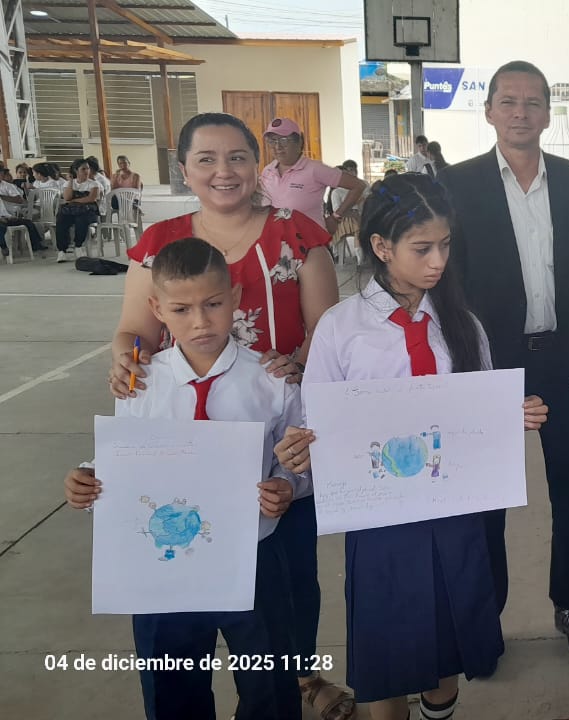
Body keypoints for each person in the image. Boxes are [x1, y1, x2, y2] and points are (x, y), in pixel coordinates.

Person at [271, 173, 549, 720]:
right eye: (422, 248)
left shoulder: (462, 324)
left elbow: (477, 411)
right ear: (381, 246)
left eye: (445, 245)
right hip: (382, 522)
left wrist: (509, 414)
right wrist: (299, 451)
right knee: (387, 649)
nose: (438, 261)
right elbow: (314, 420)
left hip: (455, 515)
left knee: (447, 642)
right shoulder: (341, 328)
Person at [106, 112, 349, 720]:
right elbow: (136, 329)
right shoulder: (159, 243)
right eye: (206, 159)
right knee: (180, 605)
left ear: (257, 164)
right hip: (187, 438)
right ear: (184, 168)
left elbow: (327, 330)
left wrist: (293, 370)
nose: (224, 171)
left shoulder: (297, 234)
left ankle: (297, 679)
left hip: (275, 425)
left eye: (238, 156)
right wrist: (128, 362)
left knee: (282, 587)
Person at [63, 237, 303, 720]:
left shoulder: (272, 380)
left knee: (270, 684)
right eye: (181, 309)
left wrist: (288, 486)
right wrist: (90, 479)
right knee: (171, 686)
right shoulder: (140, 384)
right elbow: (126, 459)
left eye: (213, 304)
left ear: (235, 297)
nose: (200, 322)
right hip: (162, 565)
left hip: (252, 557)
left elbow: (295, 461)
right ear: (157, 309)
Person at [436, 59, 569, 659]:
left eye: (532, 102)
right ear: (489, 111)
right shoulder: (456, 185)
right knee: (488, 497)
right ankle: (486, 617)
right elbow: (445, 279)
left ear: (546, 113)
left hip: (566, 360)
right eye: (508, 101)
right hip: (490, 364)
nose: (520, 112)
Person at [259, 117, 367, 233]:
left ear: (299, 142)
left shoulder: (315, 169)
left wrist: (336, 217)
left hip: (310, 241)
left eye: (284, 140)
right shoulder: (268, 171)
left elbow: (358, 185)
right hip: (276, 239)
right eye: (272, 141)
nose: (277, 147)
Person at [54, 159, 101, 262]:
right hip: (72, 211)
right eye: (83, 169)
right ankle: (62, 250)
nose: (86, 171)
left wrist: (74, 200)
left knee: (81, 220)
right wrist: (71, 181)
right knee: (61, 219)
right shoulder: (68, 183)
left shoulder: (94, 184)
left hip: (88, 210)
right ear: (76, 171)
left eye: (88, 168)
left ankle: (78, 246)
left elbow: (90, 199)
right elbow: (67, 197)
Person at [0, 171, 45, 256]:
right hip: (2, 218)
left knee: (28, 223)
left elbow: (19, 200)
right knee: (1, 226)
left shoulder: (8, 186)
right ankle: (3, 246)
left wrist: (2, 197)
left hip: (9, 214)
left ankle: (36, 245)